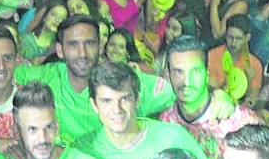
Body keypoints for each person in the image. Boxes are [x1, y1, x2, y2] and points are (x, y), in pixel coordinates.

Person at [75, 62, 218, 159]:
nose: (117, 109)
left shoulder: (173, 137)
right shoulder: (83, 150)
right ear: (94, 105)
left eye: (125, 99)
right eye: (107, 101)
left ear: (137, 100)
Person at [14, 15, 174, 144]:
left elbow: (176, 92)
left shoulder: (120, 80)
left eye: (89, 44)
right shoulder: (46, 77)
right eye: (73, 45)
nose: (82, 53)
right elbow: (0, 75)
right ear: (60, 50)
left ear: (100, 47)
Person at [162, 36, 261, 159]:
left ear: (207, 74)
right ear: (168, 75)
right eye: (178, 72)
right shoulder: (166, 122)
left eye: (195, 71)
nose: (186, 81)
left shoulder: (239, 120)